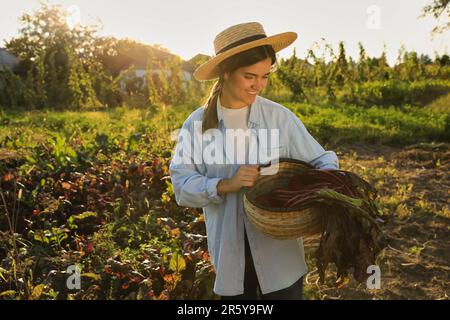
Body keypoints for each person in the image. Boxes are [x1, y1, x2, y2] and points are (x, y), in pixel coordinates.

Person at [169, 22, 339, 300]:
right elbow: (181, 185)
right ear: (225, 73)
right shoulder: (197, 124)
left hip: (280, 253)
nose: (258, 85)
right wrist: (224, 184)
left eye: (265, 76)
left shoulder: (279, 117)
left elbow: (322, 158)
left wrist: (324, 185)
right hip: (231, 252)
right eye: (250, 76)